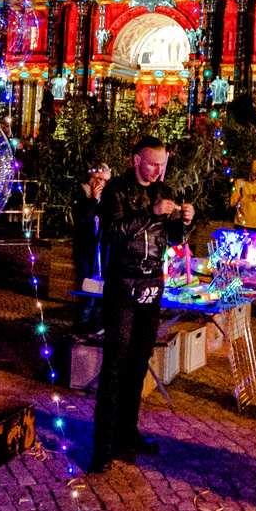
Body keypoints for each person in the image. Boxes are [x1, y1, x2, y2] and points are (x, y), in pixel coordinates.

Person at [89, 136, 192, 473]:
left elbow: (174, 237)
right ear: (136, 160)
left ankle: (127, 432)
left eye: (162, 164)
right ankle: (102, 447)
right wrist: (150, 213)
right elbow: (113, 234)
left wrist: (186, 221)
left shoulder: (165, 190)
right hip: (123, 281)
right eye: (152, 164)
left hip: (152, 283)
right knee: (115, 363)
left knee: (139, 361)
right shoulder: (117, 189)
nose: (158, 171)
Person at [71, 165, 111, 333]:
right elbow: (82, 219)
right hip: (86, 251)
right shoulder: (81, 194)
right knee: (88, 292)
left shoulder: (107, 197)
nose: (104, 184)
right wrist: (94, 200)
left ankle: (96, 326)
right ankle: (81, 328)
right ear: (92, 179)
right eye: (101, 179)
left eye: (107, 181)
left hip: (102, 251)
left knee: (101, 291)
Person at [230, 160, 256, 234]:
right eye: (255, 174)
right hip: (242, 224)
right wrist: (250, 198)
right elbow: (233, 202)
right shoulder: (240, 183)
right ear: (251, 172)